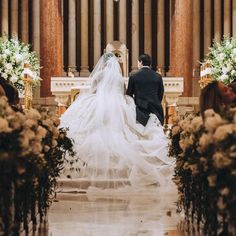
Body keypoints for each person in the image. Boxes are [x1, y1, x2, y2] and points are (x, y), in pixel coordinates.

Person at [60, 53, 173, 191]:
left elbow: (94, 90)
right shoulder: (120, 78)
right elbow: (124, 93)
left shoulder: (100, 75)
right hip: (117, 106)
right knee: (120, 130)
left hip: (99, 105)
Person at [126, 54, 164, 126]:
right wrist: (156, 102)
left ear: (141, 62)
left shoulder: (133, 76)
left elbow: (129, 94)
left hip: (139, 109)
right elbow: (160, 93)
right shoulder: (158, 76)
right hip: (156, 109)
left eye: (138, 62)